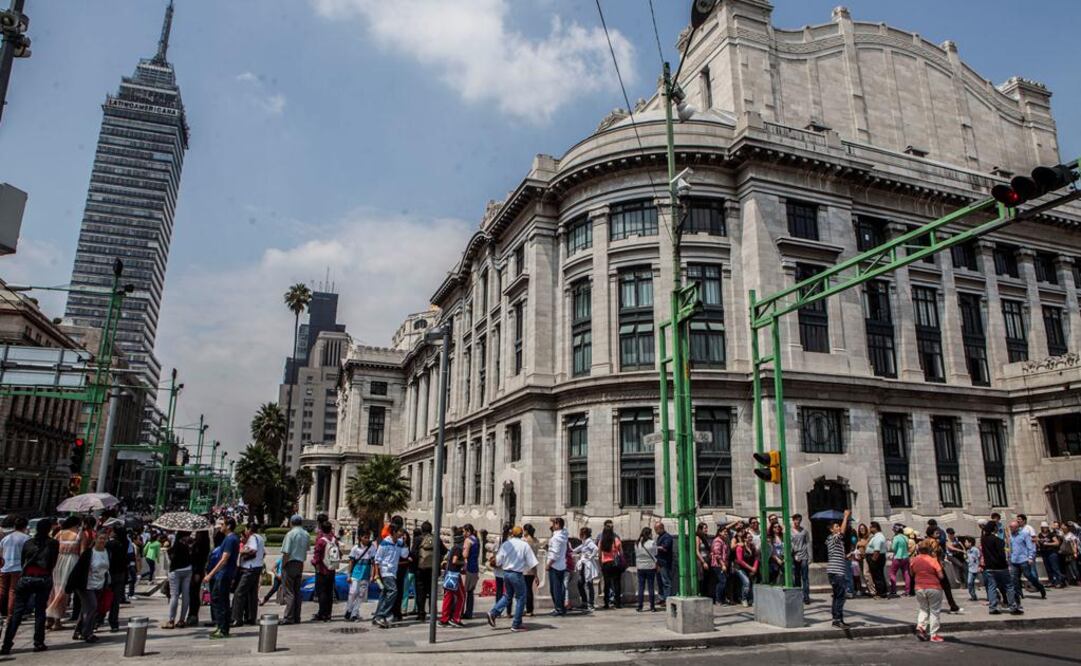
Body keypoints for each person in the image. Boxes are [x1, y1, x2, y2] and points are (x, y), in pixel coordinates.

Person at [1, 518, 58, 655]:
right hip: (43, 578)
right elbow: (52, 563)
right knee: (39, 611)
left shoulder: (29, 542)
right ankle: (38, 642)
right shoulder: (53, 543)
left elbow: (23, 562)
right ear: (49, 529)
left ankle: (7, 644)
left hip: (26, 577)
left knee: (17, 612)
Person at [485, 526, 537, 632]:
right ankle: (516, 624)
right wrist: (536, 575)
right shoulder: (524, 545)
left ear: (512, 534)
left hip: (506, 573)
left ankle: (493, 613)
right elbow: (532, 563)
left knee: (508, 595)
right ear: (521, 534)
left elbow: (498, 561)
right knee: (521, 597)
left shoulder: (506, 544)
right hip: (517, 574)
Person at [66, 532, 110, 643]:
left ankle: (78, 631)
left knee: (86, 609)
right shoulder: (89, 553)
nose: (102, 541)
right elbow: (78, 570)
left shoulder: (107, 552)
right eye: (100, 538)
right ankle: (87, 633)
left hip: (99, 584)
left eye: (104, 539)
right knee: (92, 607)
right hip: (86, 585)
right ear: (95, 539)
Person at [45, 516, 82, 629]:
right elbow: (82, 550)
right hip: (72, 562)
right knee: (64, 591)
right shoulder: (79, 534)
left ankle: (49, 617)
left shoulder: (59, 533)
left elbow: (52, 547)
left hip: (58, 561)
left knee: (54, 590)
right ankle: (56, 620)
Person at [206, 518, 239, 639]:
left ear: (229, 526)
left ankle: (223, 628)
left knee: (219, 599)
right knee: (220, 599)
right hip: (224, 574)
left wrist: (210, 574)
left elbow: (224, 559)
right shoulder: (230, 538)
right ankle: (221, 626)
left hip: (223, 574)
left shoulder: (230, 539)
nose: (220, 526)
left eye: (222, 524)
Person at [371, 525, 409, 629]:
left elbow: (405, 555)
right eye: (400, 532)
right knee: (393, 591)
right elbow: (377, 560)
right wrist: (376, 573)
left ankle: (377, 616)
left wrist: (405, 543)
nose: (402, 534)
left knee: (384, 594)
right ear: (394, 532)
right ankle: (382, 614)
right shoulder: (384, 543)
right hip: (385, 571)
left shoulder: (400, 543)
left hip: (393, 571)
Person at [982, 519, 1021, 615]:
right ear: (994, 528)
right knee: (1009, 586)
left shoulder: (983, 539)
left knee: (992, 587)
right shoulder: (997, 540)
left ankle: (992, 607)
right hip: (1000, 567)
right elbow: (1002, 554)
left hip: (989, 567)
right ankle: (1013, 607)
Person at [911, 538, 945, 643]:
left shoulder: (914, 560)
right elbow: (941, 576)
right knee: (934, 611)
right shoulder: (932, 560)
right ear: (929, 550)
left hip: (919, 588)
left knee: (923, 609)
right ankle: (933, 635)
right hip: (934, 587)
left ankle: (921, 626)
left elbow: (911, 574)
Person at [279, 514, 310, 625]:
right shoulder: (306, 534)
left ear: (291, 523)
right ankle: (297, 616)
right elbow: (307, 549)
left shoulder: (290, 534)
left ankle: (288, 617)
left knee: (289, 592)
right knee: (297, 591)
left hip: (290, 563)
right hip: (300, 563)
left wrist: (283, 566)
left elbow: (286, 552)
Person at [232, 523, 264, 626]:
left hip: (249, 568)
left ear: (249, 529)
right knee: (252, 594)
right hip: (257, 567)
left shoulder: (252, 538)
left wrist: (242, 551)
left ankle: (237, 618)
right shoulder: (260, 538)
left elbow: (253, 549)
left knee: (239, 593)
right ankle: (251, 617)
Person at [0, 516, 30, 622]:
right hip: (18, 567)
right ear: (25, 526)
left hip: (4, 567)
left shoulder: (5, 538)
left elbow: (1, 553)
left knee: (2, 591)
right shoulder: (26, 538)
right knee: (13, 591)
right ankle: (10, 616)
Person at [1008, 519, 1046, 602]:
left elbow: (1030, 546)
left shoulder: (1024, 534)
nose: (1010, 528)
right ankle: (1018, 594)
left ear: (1017, 527)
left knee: (1028, 575)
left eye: (1012, 527)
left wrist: (1030, 557)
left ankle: (1040, 587)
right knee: (1014, 578)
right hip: (1014, 560)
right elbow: (1011, 548)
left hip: (1024, 559)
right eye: (1010, 527)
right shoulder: (1011, 536)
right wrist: (1009, 558)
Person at [826, 509, 851, 628]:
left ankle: (837, 618)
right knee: (840, 596)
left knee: (837, 595)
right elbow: (842, 532)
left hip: (836, 570)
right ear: (832, 529)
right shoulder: (833, 538)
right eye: (836, 526)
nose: (839, 527)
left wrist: (847, 555)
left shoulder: (836, 541)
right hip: (836, 572)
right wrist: (845, 517)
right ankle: (837, 618)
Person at [163, 531, 192, 629]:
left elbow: (172, 559)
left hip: (176, 571)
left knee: (174, 595)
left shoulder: (175, 545)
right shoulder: (188, 544)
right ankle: (182, 620)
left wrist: (168, 549)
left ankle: (171, 620)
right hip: (187, 570)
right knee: (186, 595)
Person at [311, 521, 339, 622]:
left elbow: (317, 556)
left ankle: (322, 613)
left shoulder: (321, 541)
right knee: (329, 591)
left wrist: (314, 563)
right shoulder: (334, 540)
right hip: (332, 569)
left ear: (321, 529)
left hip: (322, 569)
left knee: (321, 592)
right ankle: (328, 614)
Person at [438, 529, 466, 627]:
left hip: (449, 574)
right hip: (454, 576)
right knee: (461, 597)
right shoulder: (458, 548)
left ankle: (444, 619)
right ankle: (456, 618)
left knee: (448, 597)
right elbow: (454, 561)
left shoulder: (454, 547)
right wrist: (463, 563)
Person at [104, 525, 129, 632]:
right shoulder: (126, 542)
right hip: (121, 574)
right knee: (115, 601)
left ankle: (98, 620)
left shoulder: (110, 544)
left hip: (110, 574)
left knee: (104, 598)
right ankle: (114, 623)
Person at [345, 532, 374, 621]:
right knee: (353, 593)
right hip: (355, 574)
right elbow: (351, 562)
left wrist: (372, 575)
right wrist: (348, 575)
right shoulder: (355, 548)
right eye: (365, 537)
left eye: (368, 537)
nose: (367, 539)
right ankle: (349, 610)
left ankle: (354, 613)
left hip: (365, 575)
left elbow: (373, 563)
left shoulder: (372, 548)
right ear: (360, 537)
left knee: (361, 595)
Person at [186, 530, 210, 626]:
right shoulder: (203, 542)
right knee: (194, 593)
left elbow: (198, 559)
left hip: (197, 571)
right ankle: (193, 615)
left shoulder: (200, 544)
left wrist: (196, 572)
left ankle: (193, 615)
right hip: (198, 570)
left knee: (194, 593)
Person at [546, 517, 569, 617]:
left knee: (555, 589)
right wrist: (554, 520)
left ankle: (558, 608)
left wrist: (548, 564)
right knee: (560, 588)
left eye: (554, 524)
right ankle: (560, 607)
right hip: (561, 565)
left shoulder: (556, 538)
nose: (552, 526)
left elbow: (555, 554)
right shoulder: (564, 534)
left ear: (557, 525)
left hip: (555, 566)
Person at [414, 521, 435, 622]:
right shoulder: (436, 539)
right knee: (432, 592)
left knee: (420, 592)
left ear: (422, 529)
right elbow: (444, 551)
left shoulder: (418, 539)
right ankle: (432, 613)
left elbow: (413, 553)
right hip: (433, 571)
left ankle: (421, 614)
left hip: (420, 570)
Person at [574, 527, 599, 611]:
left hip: (588, 564)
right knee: (580, 583)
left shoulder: (589, 542)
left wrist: (591, 557)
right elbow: (579, 548)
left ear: (584, 534)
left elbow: (596, 549)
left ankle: (590, 604)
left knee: (589, 584)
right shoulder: (584, 542)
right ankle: (585, 602)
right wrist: (571, 551)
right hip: (583, 564)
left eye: (581, 534)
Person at [598, 524, 623, 609]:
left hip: (606, 563)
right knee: (617, 583)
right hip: (615, 563)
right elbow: (621, 552)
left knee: (607, 584)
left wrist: (600, 563)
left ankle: (606, 603)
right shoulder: (616, 540)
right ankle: (618, 603)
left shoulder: (602, 541)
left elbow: (599, 553)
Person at [635, 527, 658, 612]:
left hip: (640, 567)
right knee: (651, 587)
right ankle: (652, 606)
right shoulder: (652, 543)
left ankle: (640, 606)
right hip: (650, 567)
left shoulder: (637, 543)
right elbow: (655, 553)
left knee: (641, 587)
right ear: (649, 534)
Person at [1036, 522, 1065, 588]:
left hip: (1052, 552)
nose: (1044, 528)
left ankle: (1059, 582)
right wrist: (1038, 541)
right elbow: (1038, 543)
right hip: (1044, 552)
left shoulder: (1051, 534)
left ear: (1047, 527)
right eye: (1043, 527)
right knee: (1048, 568)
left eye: (1045, 527)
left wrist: (1048, 544)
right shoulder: (1040, 534)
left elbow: (1057, 543)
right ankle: (1052, 581)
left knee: (1055, 568)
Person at [790, 514, 811, 604]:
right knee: (797, 576)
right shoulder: (789, 531)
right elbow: (789, 544)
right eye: (796, 520)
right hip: (795, 555)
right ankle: (798, 595)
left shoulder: (804, 531)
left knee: (805, 577)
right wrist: (794, 554)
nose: (797, 522)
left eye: (799, 520)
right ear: (793, 520)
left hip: (804, 556)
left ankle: (806, 596)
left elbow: (808, 543)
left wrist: (810, 556)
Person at [462, 524, 481, 619]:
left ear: (468, 531)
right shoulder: (476, 540)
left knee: (463, 591)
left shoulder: (468, 540)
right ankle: (469, 612)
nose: (463, 533)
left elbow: (465, 555)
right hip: (475, 568)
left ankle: (460, 611)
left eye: (464, 531)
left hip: (468, 568)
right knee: (470, 592)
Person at [734, 532, 758, 607]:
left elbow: (756, 558)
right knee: (746, 582)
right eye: (748, 537)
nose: (750, 538)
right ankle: (743, 599)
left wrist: (754, 568)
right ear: (744, 538)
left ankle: (751, 599)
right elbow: (740, 560)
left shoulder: (753, 547)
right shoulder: (740, 547)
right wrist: (751, 568)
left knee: (752, 583)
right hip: (740, 568)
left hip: (750, 568)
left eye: (751, 537)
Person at [865, 522, 888, 599]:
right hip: (878, 557)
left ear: (875, 528)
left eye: (871, 527)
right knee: (879, 575)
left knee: (877, 576)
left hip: (876, 557)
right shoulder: (876, 536)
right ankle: (883, 592)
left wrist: (873, 560)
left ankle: (880, 593)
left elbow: (877, 550)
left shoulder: (878, 537)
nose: (869, 529)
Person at [521, 524, 540, 616]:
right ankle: (529, 609)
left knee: (526, 589)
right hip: (533, 567)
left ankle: (528, 609)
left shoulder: (524, 541)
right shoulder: (536, 541)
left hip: (525, 567)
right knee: (529, 588)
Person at [888, 523, 912, 597]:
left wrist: (890, 545)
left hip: (898, 557)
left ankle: (893, 590)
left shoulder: (896, 537)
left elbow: (893, 548)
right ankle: (907, 591)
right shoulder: (905, 537)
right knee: (906, 573)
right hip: (905, 557)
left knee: (892, 573)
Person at [654, 522, 674, 603]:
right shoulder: (660, 537)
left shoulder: (667, 537)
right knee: (660, 581)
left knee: (666, 581)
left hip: (665, 562)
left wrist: (654, 547)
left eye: (656, 529)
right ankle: (662, 597)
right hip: (659, 562)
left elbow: (665, 547)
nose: (655, 531)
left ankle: (667, 599)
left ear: (661, 528)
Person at [710, 525, 729, 605]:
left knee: (722, 581)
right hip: (718, 565)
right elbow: (717, 554)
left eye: (726, 532)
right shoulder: (718, 541)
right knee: (722, 581)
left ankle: (722, 599)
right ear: (720, 533)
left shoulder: (723, 541)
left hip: (722, 564)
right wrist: (722, 564)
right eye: (724, 532)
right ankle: (718, 600)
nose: (726, 533)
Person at [964, 537, 981, 602]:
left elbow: (979, 557)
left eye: (966, 542)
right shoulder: (968, 551)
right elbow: (969, 560)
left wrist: (979, 566)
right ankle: (973, 596)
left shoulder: (975, 550)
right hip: (971, 569)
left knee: (971, 582)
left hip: (976, 569)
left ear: (970, 543)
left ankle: (973, 596)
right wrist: (965, 557)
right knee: (970, 583)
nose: (965, 543)